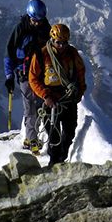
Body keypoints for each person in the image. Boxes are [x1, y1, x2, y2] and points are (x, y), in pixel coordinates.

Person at [28, 23, 86, 167]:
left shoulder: (72, 54)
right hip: (50, 99)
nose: (61, 46)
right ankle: (54, 162)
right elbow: (33, 78)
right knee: (53, 134)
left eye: (64, 43)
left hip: (67, 98)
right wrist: (45, 95)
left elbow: (80, 74)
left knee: (69, 132)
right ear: (52, 40)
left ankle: (62, 157)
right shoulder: (42, 55)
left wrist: (79, 92)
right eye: (58, 42)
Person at [4, 0, 51, 152]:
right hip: (24, 74)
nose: (37, 23)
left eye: (39, 20)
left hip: (42, 74)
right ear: (29, 17)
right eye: (34, 20)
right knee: (31, 107)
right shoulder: (21, 29)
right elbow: (9, 53)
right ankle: (32, 141)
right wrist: (9, 76)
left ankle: (28, 137)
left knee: (38, 107)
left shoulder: (46, 28)